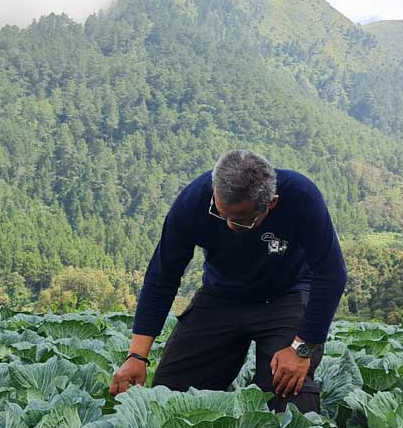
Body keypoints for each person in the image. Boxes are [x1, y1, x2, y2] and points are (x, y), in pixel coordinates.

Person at [108, 150, 347, 413]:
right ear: (214, 193)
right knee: (171, 397)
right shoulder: (193, 202)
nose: (230, 226)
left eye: (243, 222)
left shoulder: (301, 197)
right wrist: (136, 356)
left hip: (286, 295)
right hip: (221, 295)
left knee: (289, 394)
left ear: (272, 204)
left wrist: (302, 350)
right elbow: (162, 276)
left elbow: (331, 273)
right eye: (221, 215)